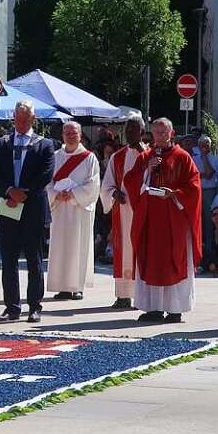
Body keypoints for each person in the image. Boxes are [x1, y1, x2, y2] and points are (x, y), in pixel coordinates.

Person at [124, 117, 202, 323]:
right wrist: (146, 170)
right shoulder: (145, 157)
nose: (159, 136)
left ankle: (175, 309)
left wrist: (174, 193)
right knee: (151, 261)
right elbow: (130, 182)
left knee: (173, 261)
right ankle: (153, 308)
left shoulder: (183, 157)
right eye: (156, 133)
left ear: (171, 133)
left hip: (173, 220)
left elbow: (194, 188)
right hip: (150, 220)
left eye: (163, 132)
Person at [0, 100, 55, 323]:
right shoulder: (1, 144)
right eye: (18, 119)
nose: (21, 123)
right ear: (13, 119)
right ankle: (12, 307)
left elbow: (46, 174)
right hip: (8, 205)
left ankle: (35, 307)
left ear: (33, 120)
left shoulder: (44, 144)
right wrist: (10, 191)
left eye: (26, 119)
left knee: (34, 259)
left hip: (33, 208)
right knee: (8, 260)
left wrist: (24, 193)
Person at [46, 121, 101, 302]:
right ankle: (62, 287)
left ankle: (77, 287)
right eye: (67, 133)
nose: (71, 135)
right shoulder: (55, 157)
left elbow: (93, 184)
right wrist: (55, 194)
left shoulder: (89, 158)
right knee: (60, 247)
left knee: (79, 247)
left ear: (80, 135)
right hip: (60, 209)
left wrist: (74, 194)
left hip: (79, 210)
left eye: (74, 133)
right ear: (62, 135)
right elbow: (47, 182)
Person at [99, 117, 147, 309]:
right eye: (127, 131)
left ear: (142, 132)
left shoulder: (151, 155)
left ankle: (142, 295)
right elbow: (107, 185)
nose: (130, 134)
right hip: (123, 212)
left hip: (143, 212)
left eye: (134, 131)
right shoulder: (117, 157)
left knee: (141, 250)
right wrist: (114, 193)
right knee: (124, 250)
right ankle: (123, 295)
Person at [193, 135, 218, 257]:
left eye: (206, 145)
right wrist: (202, 174)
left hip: (210, 191)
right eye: (202, 145)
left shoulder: (215, 159)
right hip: (197, 191)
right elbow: (194, 176)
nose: (204, 147)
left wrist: (204, 158)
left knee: (209, 222)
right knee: (198, 222)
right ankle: (199, 252)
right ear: (198, 146)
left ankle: (210, 252)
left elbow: (209, 174)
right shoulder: (193, 159)